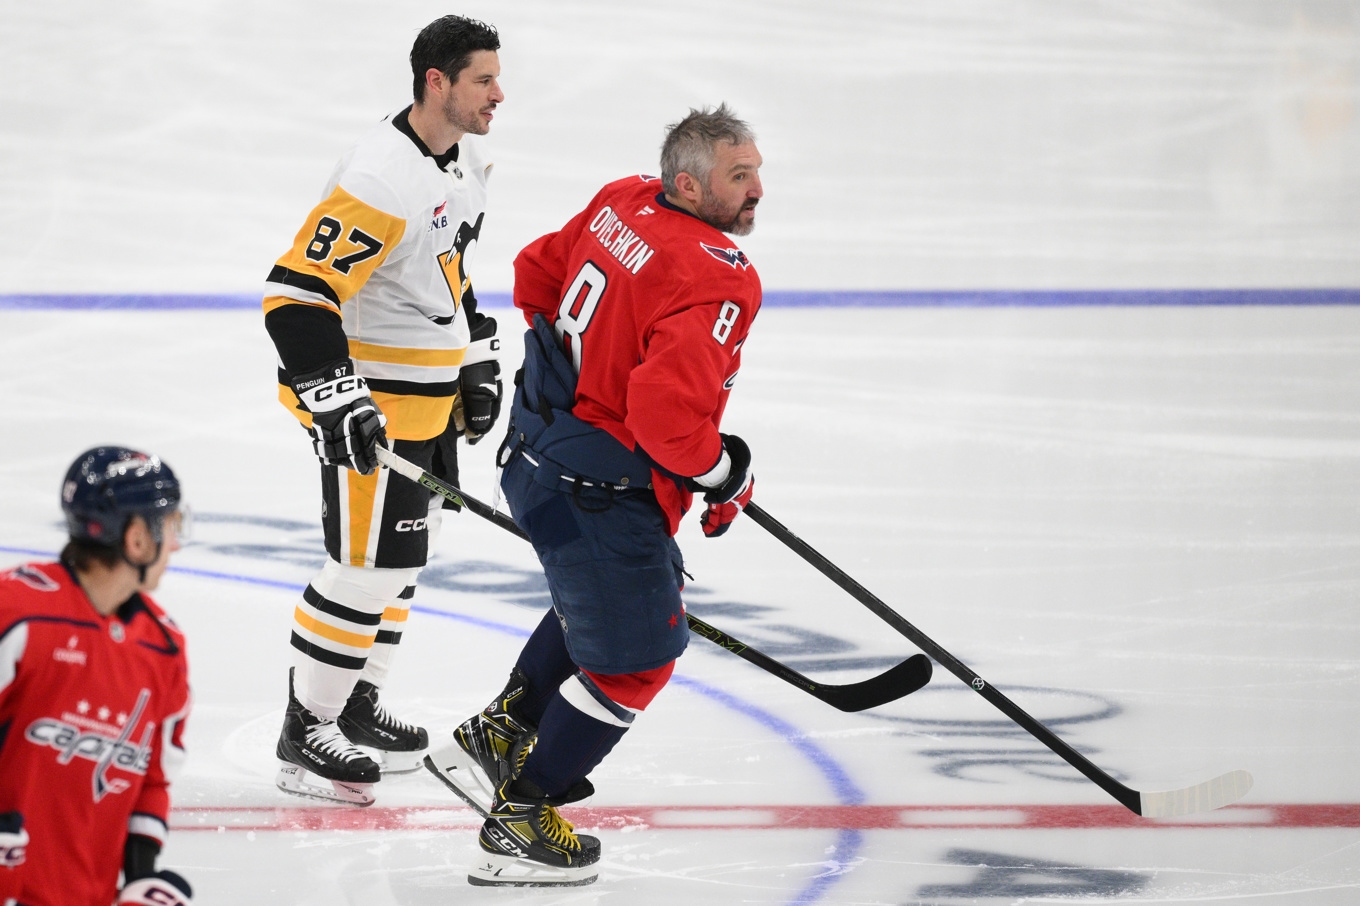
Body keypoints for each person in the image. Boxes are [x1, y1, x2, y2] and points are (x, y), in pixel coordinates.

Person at [426, 103, 764, 886]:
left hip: (533, 455)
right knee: (637, 660)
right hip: (596, 490)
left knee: (608, 599)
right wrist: (723, 473)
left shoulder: (625, 200)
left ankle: (502, 733)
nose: (754, 191)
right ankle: (521, 817)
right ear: (689, 183)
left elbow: (536, 274)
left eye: (755, 172)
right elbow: (665, 420)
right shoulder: (719, 275)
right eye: (738, 177)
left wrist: (581, 393)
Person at [262, 15, 506, 805]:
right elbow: (297, 297)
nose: (499, 95)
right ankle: (308, 727)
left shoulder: (465, 158)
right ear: (436, 82)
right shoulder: (379, 180)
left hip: (427, 406)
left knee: (403, 566)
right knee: (367, 568)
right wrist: (338, 397)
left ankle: (355, 703)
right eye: (483, 80)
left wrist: (473, 356)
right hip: (380, 410)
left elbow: (451, 270)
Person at [0, 447, 193, 906]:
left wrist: (140, 877)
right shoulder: (18, 614)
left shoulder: (163, 647)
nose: (176, 543)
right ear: (136, 539)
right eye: (169, 526)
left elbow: (151, 779)